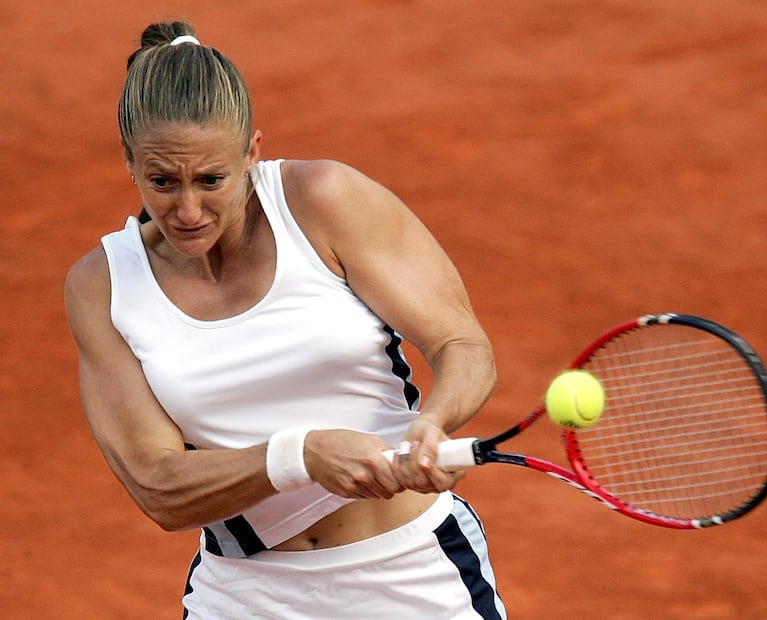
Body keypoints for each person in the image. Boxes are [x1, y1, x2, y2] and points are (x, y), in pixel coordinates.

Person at [65, 21, 507, 619]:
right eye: (161, 182)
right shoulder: (103, 286)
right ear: (129, 161)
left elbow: (461, 344)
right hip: (245, 597)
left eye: (212, 180)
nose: (187, 210)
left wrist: (435, 419)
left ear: (252, 150)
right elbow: (158, 486)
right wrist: (300, 455)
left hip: (412, 577)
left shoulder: (324, 201)